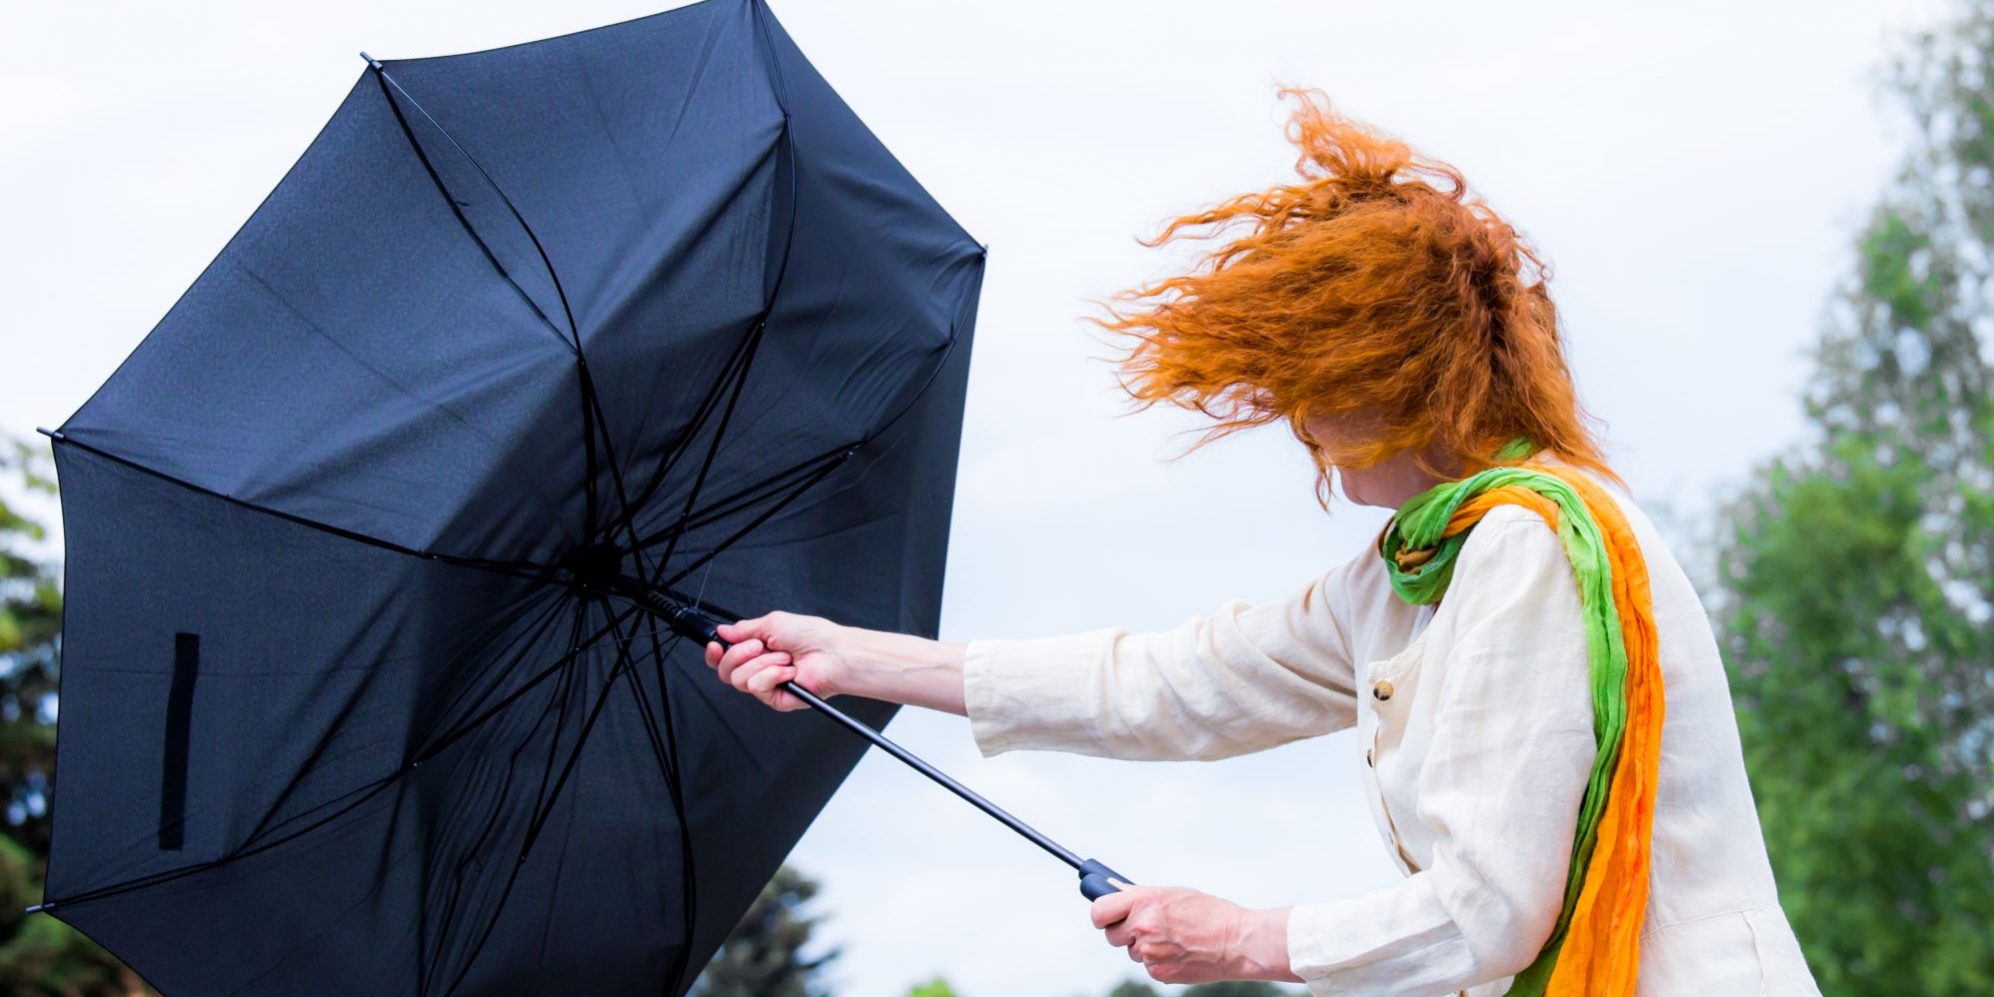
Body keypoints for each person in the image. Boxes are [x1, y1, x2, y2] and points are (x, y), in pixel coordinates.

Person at [701, 88, 1820, 996]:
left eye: (1314, 388)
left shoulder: (1525, 549)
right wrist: (862, 659)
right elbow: (1171, 682)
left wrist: (1243, 938)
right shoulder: (1415, 572)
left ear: (1400, 379)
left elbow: (1486, 911)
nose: (1302, 426)